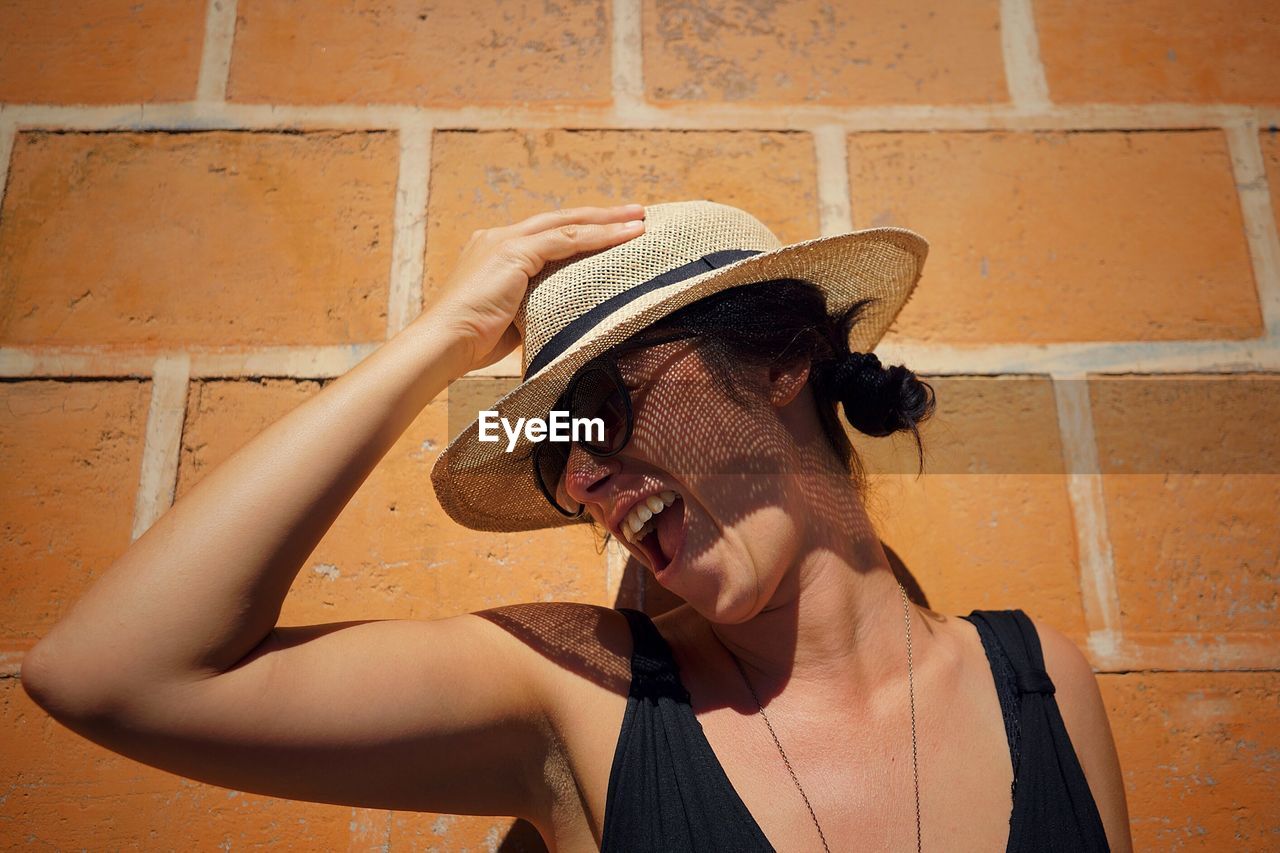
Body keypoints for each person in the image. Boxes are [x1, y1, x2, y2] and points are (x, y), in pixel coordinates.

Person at [21, 201, 1132, 852]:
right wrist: (444, 337)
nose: (586, 475)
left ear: (785, 358)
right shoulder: (579, 694)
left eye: (607, 402)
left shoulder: (1038, 679)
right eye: (557, 451)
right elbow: (108, 672)